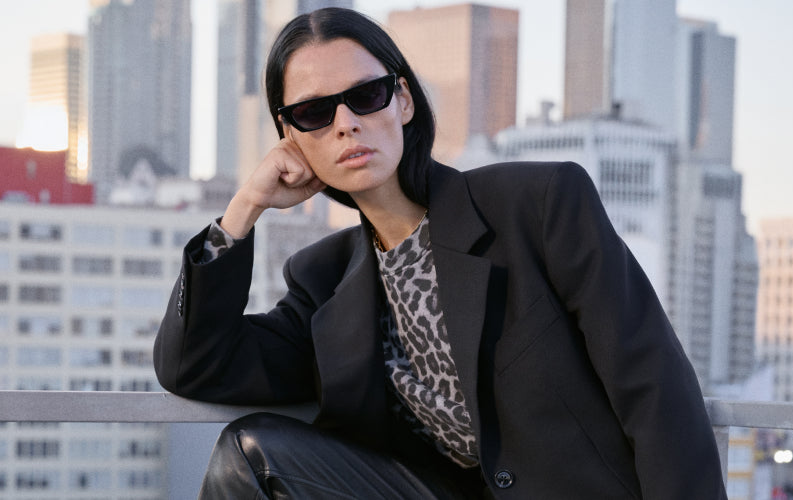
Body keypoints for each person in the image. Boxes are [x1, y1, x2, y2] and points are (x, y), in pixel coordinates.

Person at [154, 7, 727, 500]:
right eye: (314, 113)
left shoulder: (538, 206)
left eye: (366, 96)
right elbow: (194, 367)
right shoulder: (323, 281)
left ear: (402, 100)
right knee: (247, 452)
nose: (346, 125)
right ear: (289, 135)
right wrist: (245, 208)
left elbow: (654, 386)